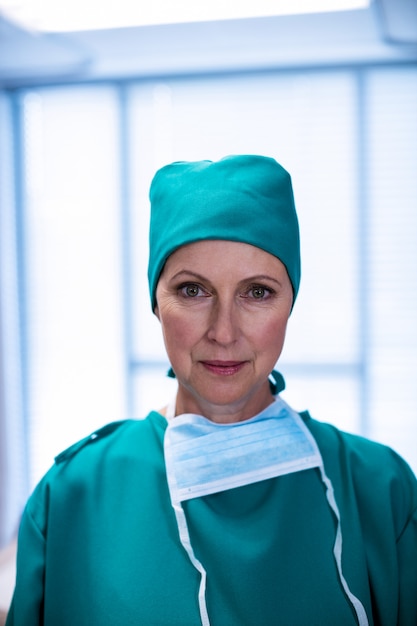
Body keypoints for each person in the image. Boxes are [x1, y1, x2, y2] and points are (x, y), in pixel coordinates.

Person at [5, 155, 417, 626]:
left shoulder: (380, 490)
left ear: (290, 303)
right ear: (156, 304)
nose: (224, 332)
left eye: (257, 292)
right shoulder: (73, 497)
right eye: (193, 291)